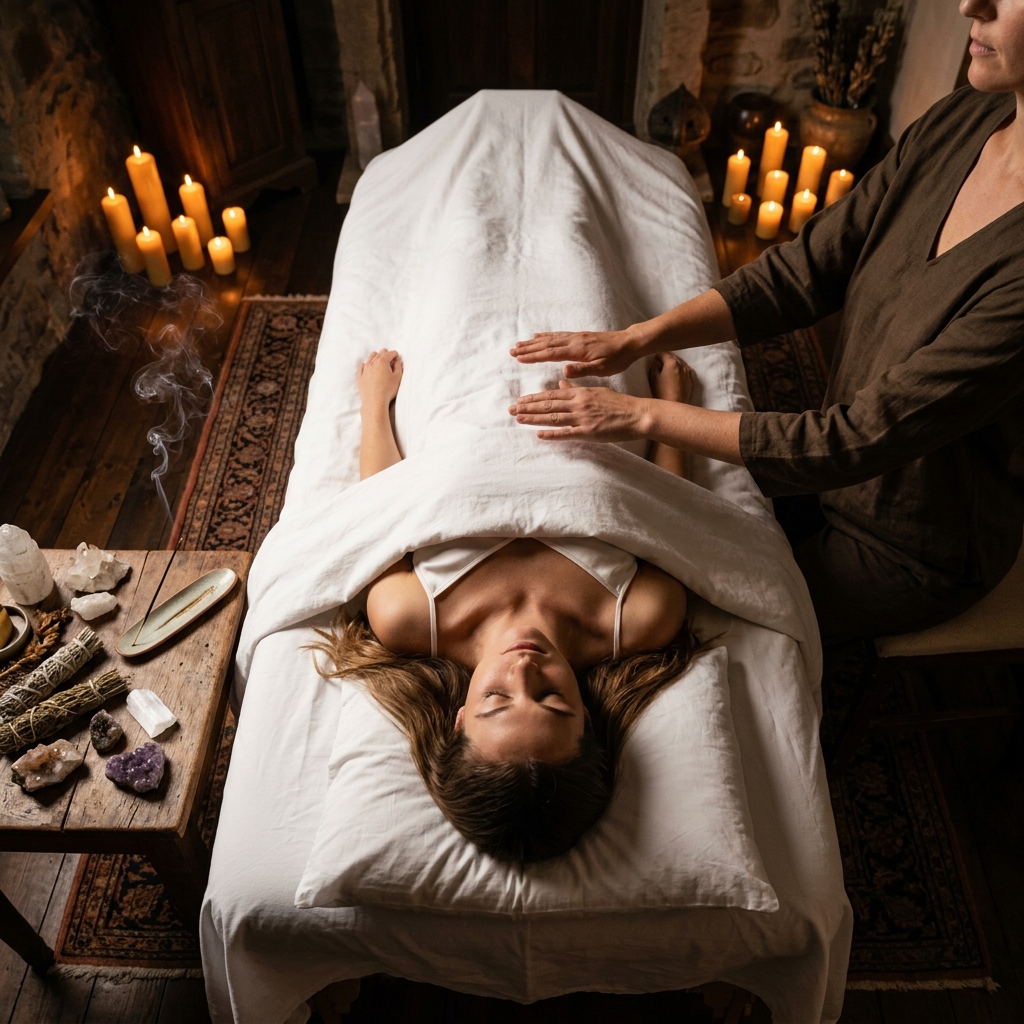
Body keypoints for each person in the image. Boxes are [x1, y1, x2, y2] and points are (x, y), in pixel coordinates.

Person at [508, 0, 1024, 645]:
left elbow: (857, 440)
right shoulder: (963, 118)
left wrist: (638, 415)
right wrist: (638, 337)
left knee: (672, 614)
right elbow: (806, 267)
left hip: (911, 545)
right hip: (828, 481)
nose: (969, 4)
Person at [311, 348, 702, 863]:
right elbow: (668, 503)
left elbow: (383, 505)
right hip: (586, 371)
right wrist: (670, 408)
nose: (523, 668)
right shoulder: (639, 617)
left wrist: (375, 405)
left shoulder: (407, 617)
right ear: (586, 716)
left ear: (457, 719)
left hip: (457, 380)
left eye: (496, 698)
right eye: (552, 699)